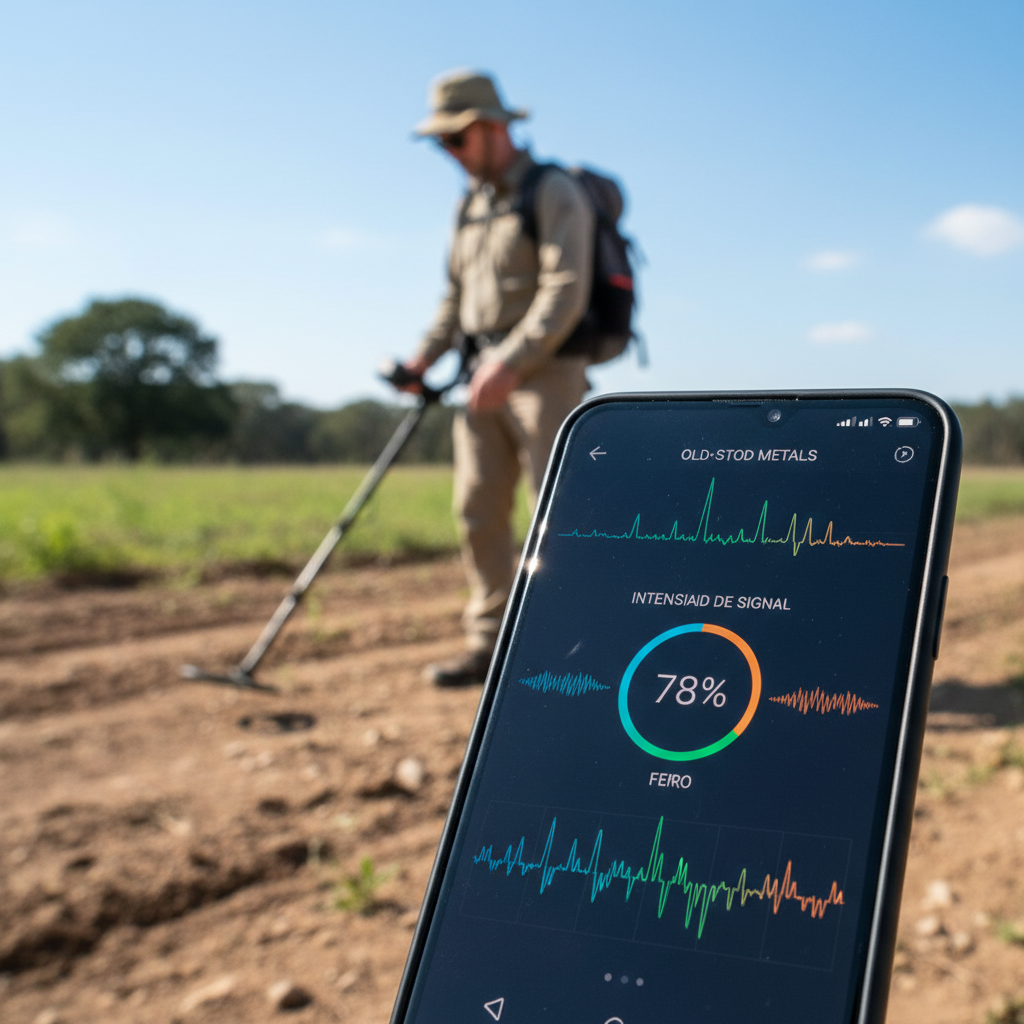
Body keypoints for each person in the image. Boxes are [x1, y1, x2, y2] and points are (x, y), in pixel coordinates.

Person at [402, 69, 595, 687]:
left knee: (558, 516)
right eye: (441, 143)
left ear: (490, 128)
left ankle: (570, 646)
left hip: (546, 375)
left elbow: (566, 291)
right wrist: (422, 359)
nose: (448, 153)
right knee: (477, 509)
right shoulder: (469, 206)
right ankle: (489, 643)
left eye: (454, 139)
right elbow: (453, 299)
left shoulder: (553, 190)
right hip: (480, 375)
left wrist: (511, 363)